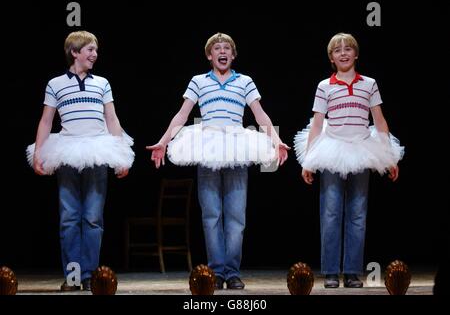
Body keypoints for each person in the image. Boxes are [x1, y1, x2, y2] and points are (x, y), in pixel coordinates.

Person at [146, 32, 290, 290]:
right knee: (211, 214)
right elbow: (182, 114)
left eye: (227, 48)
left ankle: (232, 272)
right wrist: (164, 140)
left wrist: (276, 140)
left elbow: (260, 115)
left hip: (236, 145)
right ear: (209, 55)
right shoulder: (199, 81)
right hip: (208, 146)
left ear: (233, 55)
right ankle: (216, 271)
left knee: (236, 215)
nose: (222, 52)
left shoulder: (245, 81)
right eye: (217, 48)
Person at [294, 33, 404, 288]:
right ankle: (332, 271)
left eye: (348, 49)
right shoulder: (325, 86)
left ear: (356, 54)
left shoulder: (369, 83)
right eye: (337, 50)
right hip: (333, 150)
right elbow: (317, 123)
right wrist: (308, 160)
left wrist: (388, 156)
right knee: (331, 212)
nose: (343, 53)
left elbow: (379, 119)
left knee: (357, 214)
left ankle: (352, 271)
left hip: (362, 149)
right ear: (331, 58)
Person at [26, 31, 134, 291]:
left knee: (93, 217)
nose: (94, 54)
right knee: (69, 217)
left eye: (95, 50)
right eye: (89, 50)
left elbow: (112, 119)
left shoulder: (102, 83)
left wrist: (120, 153)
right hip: (68, 152)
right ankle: (74, 276)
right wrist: (39, 152)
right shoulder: (55, 84)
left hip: (97, 149)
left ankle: (90, 275)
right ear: (74, 52)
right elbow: (46, 120)